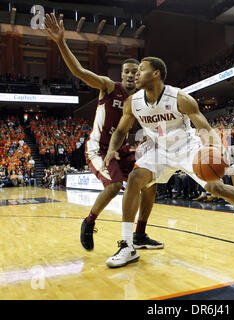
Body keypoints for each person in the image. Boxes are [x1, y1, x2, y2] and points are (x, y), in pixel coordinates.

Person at [103, 57, 234, 268]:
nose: (136, 74)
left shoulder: (180, 98)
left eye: (141, 69)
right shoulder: (133, 103)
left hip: (188, 148)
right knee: (134, 179)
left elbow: (204, 127)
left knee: (216, 187)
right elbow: (121, 130)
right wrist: (112, 149)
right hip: (160, 151)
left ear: (156, 73)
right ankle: (128, 246)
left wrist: (216, 151)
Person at [43, 13, 163, 251]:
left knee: (151, 184)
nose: (131, 75)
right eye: (127, 71)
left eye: (135, 72)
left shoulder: (142, 100)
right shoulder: (109, 86)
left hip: (122, 149)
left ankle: (139, 234)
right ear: (122, 75)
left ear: (141, 76)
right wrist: (60, 42)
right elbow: (79, 72)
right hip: (98, 148)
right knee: (114, 186)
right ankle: (88, 222)